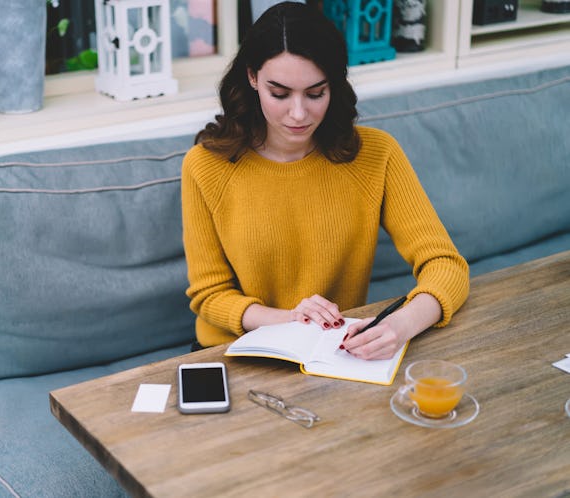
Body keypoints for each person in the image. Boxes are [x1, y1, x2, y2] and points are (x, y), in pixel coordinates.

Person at [180, 1, 469, 359]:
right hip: (232, 352)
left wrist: (400, 326)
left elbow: (446, 265)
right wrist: (289, 320)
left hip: (333, 355)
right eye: (280, 94)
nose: (299, 113)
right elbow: (210, 295)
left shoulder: (376, 155)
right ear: (252, 77)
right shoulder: (207, 165)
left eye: (316, 93)